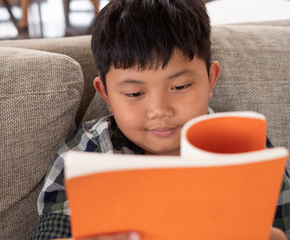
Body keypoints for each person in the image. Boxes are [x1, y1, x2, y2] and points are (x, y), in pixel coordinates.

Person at [29, 0, 290, 239]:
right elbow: (51, 232)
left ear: (210, 79)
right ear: (106, 94)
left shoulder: (245, 146)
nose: (159, 110)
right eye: (134, 93)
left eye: (180, 87)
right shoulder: (89, 147)